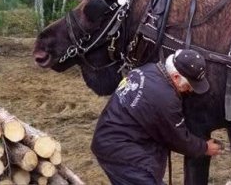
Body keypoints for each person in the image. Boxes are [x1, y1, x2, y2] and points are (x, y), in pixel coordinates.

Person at [91, 49, 223, 185]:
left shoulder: (149, 69)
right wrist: (204, 148)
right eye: (190, 85)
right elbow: (177, 138)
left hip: (109, 139)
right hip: (121, 151)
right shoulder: (165, 99)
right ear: (176, 77)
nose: (190, 90)